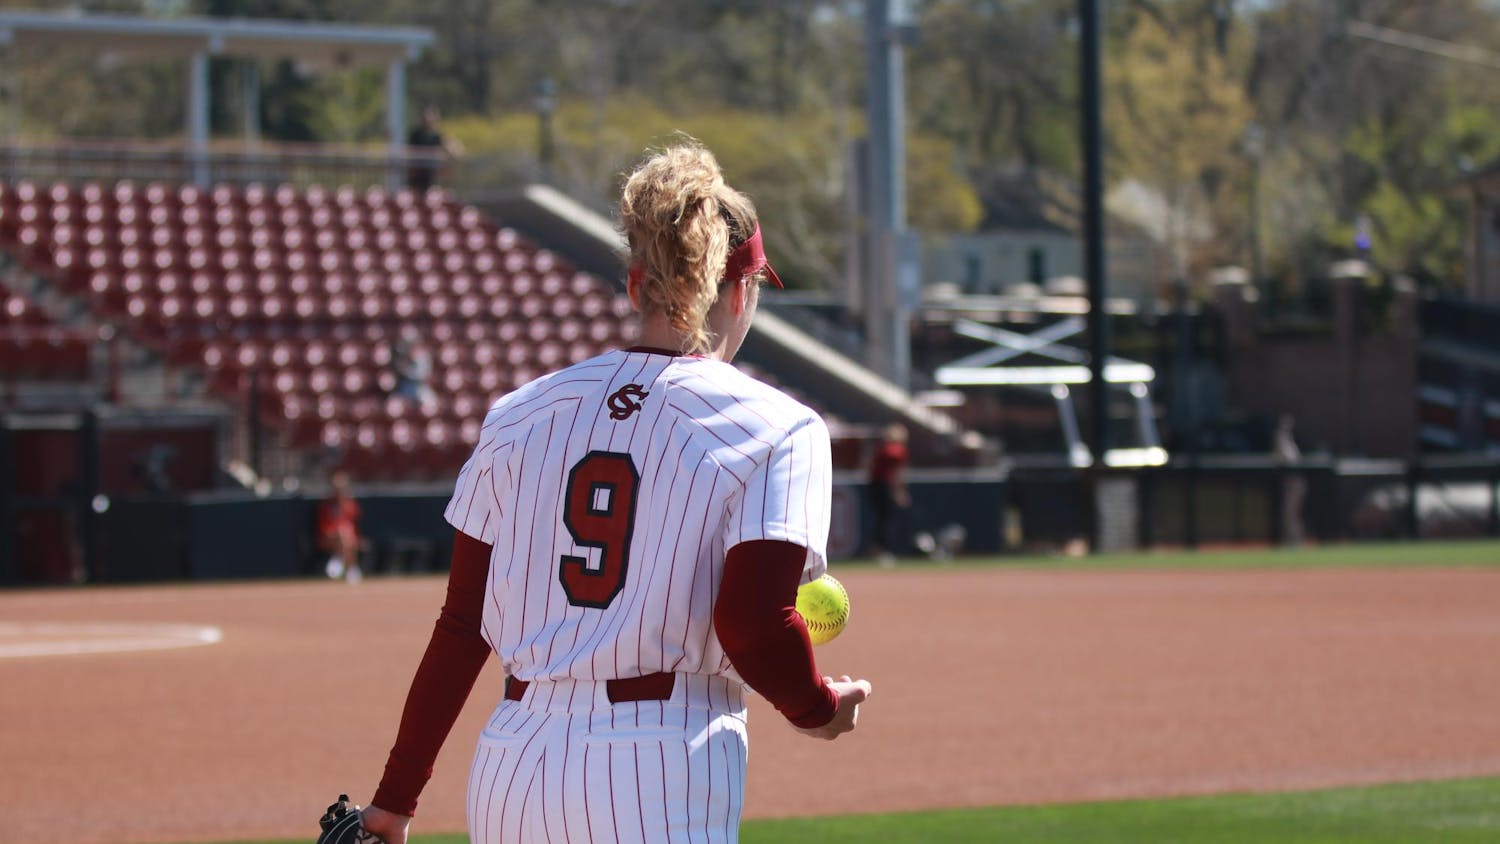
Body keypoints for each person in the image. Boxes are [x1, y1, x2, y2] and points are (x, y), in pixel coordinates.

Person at [357, 142, 871, 844]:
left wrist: (396, 797)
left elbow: (461, 622)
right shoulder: (778, 427)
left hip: (513, 758)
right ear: (742, 290)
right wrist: (818, 706)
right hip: (660, 757)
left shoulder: (518, 412)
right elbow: (753, 623)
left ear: (635, 286)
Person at [866, 422, 910, 566]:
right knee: (885, 519)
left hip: (875, 485)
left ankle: (877, 549)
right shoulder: (897, 450)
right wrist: (899, 492)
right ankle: (881, 550)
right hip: (884, 486)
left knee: (881, 518)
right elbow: (897, 474)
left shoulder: (882, 448)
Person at [317, 470, 364, 583]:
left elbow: (354, 525)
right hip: (328, 538)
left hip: (348, 539)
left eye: (341, 488)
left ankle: (339, 560)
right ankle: (351, 568)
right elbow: (323, 527)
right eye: (336, 488)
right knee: (343, 536)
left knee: (346, 539)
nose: (339, 491)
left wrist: (356, 538)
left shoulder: (351, 505)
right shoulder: (325, 505)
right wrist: (337, 533)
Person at [406, 105, 464, 192]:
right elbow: (410, 150)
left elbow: (455, 149)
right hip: (417, 173)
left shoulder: (437, 136)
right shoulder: (416, 134)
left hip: (431, 175)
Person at [1273, 413, 1307, 547]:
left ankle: (1297, 542)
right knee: (1288, 515)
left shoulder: (1289, 445)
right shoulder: (1283, 442)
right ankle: (1291, 542)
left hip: (1296, 485)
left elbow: (1289, 462)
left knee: (1292, 515)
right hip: (1290, 485)